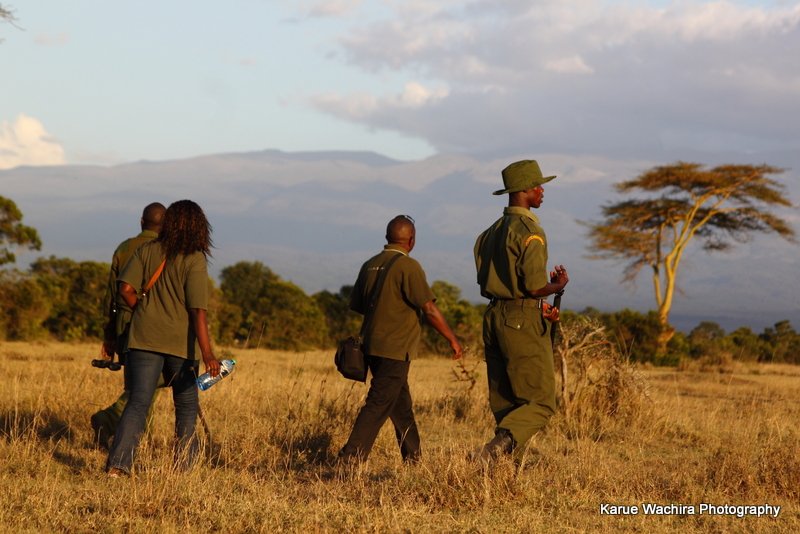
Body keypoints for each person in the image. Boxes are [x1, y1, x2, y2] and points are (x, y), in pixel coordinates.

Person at [106, 199, 221, 477]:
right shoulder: (194, 259)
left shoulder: (148, 250)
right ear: (197, 227)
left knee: (138, 402)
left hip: (143, 338)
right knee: (185, 405)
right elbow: (198, 312)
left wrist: (143, 311)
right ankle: (182, 469)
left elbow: (124, 289)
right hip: (180, 345)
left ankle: (118, 466)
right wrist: (208, 354)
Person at [338, 215, 463, 464]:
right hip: (395, 349)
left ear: (387, 238)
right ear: (412, 240)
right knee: (379, 402)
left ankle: (414, 460)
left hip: (371, 345)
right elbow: (428, 308)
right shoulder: (409, 266)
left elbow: (359, 306)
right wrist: (452, 339)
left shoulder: (370, 264)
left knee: (401, 407)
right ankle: (349, 459)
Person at [473, 160, 569, 460]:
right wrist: (558, 285)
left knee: (506, 400)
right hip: (521, 317)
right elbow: (533, 288)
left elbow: (487, 278)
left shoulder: (489, 233)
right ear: (525, 190)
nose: (542, 191)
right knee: (541, 402)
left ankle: (509, 465)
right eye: (538, 186)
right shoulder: (530, 231)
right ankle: (493, 451)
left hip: (493, 316)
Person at [91, 202, 166, 449]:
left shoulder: (124, 248)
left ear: (141, 222)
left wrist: (108, 333)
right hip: (155, 325)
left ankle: (136, 438)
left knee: (137, 383)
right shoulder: (166, 250)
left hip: (123, 323)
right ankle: (109, 420)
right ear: (165, 226)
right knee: (148, 384)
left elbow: (111, 294)